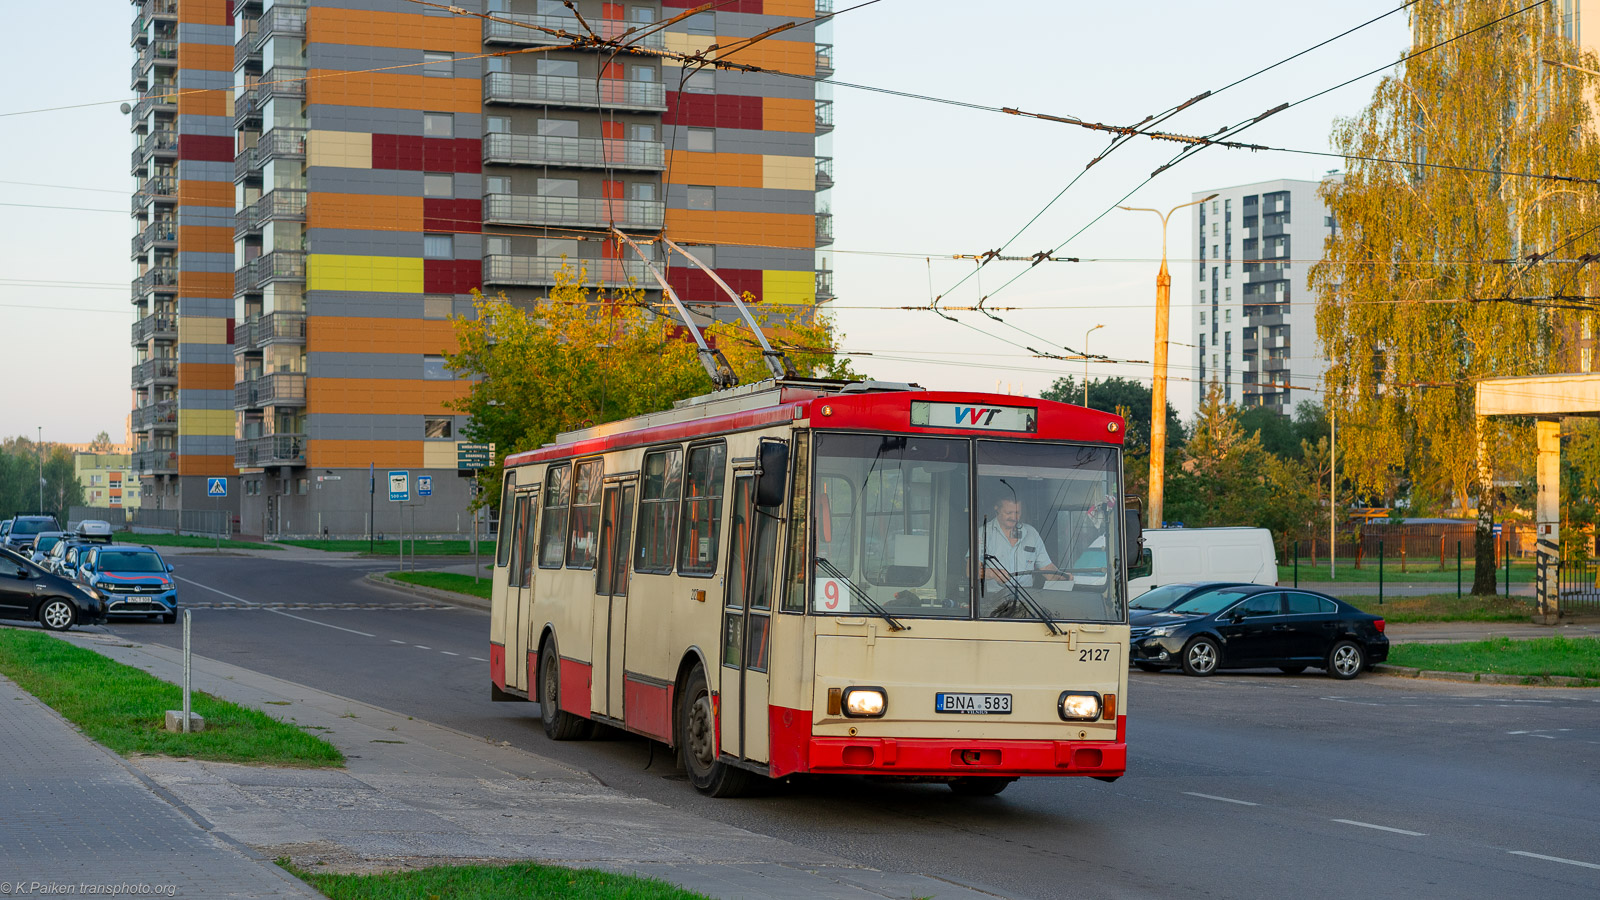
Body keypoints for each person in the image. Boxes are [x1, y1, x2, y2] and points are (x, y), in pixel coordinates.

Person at [980, 497, 1067, 592]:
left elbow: (1046, 567)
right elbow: (971, 570)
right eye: (1009, 513)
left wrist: (1061, 577)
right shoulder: (983, 533)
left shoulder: (1031, 533)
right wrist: (993, 573)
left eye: (1017, 513)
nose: (1014, 517)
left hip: (1027, 596)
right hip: (994, 596)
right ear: (997, 510)